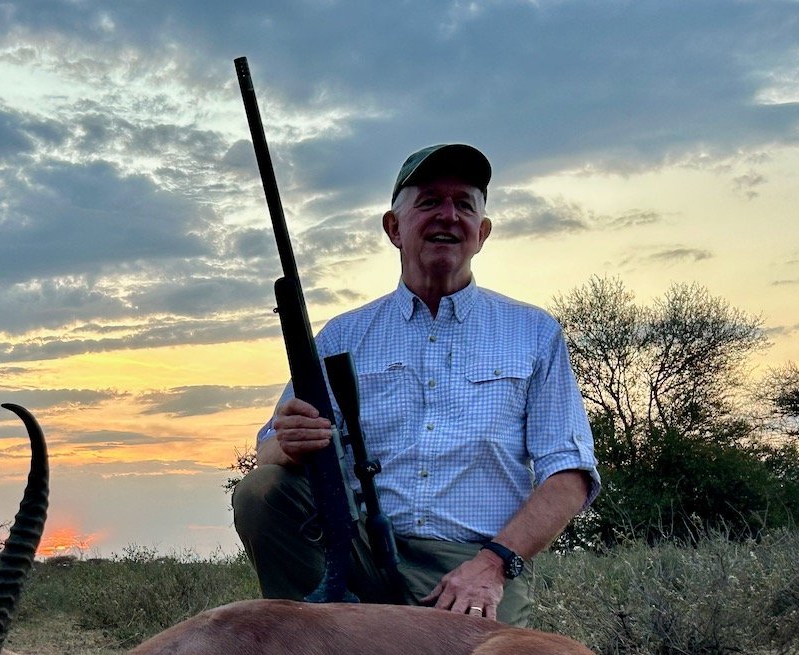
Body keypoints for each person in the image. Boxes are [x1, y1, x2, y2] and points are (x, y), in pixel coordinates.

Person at [232, 143, 599, 627]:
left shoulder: (533, 332)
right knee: (262, 490)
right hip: (357, 549)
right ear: (393, 228)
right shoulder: (343, 335)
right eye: (428, 202)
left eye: (464, 204)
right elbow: (269, 451)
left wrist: (491, 566)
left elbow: (569, 475)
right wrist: (290, 443)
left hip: (467, 562)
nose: (448, 216)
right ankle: (307, 640)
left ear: (482, 232)